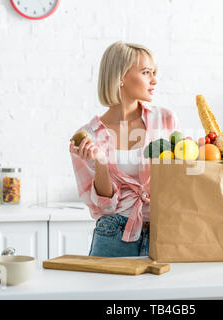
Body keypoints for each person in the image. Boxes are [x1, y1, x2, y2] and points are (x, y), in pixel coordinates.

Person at [69, 41, 181, 257]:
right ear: (121, 77)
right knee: (108, 291)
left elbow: (179, 178)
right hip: (113, 233)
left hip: (165, 231)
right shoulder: (88, 137)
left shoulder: (165, 119)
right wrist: (101, 164)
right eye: (146, 72)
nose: (154, 80)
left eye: (154, 72)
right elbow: (105, 207)